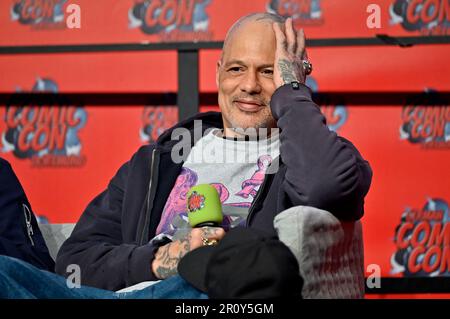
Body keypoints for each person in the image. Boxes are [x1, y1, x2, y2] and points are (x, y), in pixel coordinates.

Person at [0, 12, 372, 298]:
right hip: (128, 292)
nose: (249, 85)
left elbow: (325, 186)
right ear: (217, 74)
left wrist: (291, 92)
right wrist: (169, 258)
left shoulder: (312, 156)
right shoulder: (154, 162)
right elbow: (75, 260)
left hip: (199, 297)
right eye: (236, 69)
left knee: (237, 275)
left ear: (295, 78)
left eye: (269, 72)